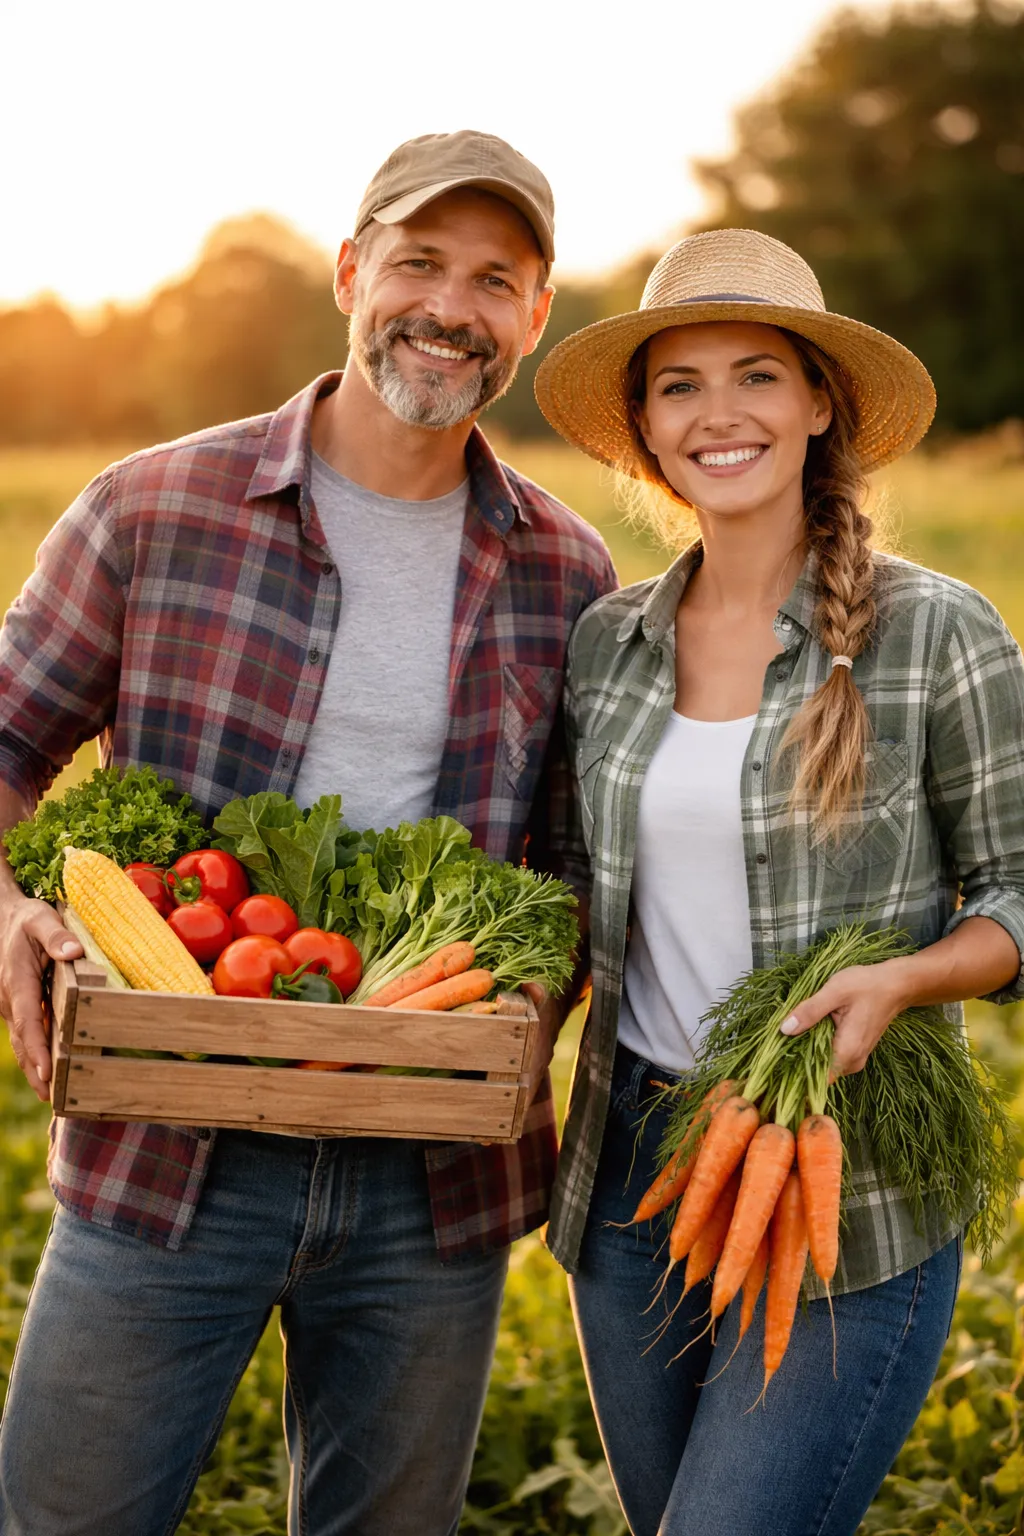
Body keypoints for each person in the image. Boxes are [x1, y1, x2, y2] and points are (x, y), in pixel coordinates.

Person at [0, 130, 616, 1536]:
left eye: (496, 279)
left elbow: (580, 862)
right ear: (351, 271)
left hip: (432, 1181)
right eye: (418, 262)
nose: (449, 307)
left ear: (534, 313)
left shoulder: (567, 571)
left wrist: (528, 984)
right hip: (167, 1158)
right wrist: (12, 916)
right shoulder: (155, 510)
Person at [533, 227, 1024, 1536]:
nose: (719, 413)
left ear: (820, 404)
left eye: (758, 374)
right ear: (644, 429)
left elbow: (1019, 893)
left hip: (841, 1185)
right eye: (678, 384)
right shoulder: (608, 646)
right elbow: (576, 899)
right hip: (635, 1173)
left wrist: (907, 977)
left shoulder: (936, 634)